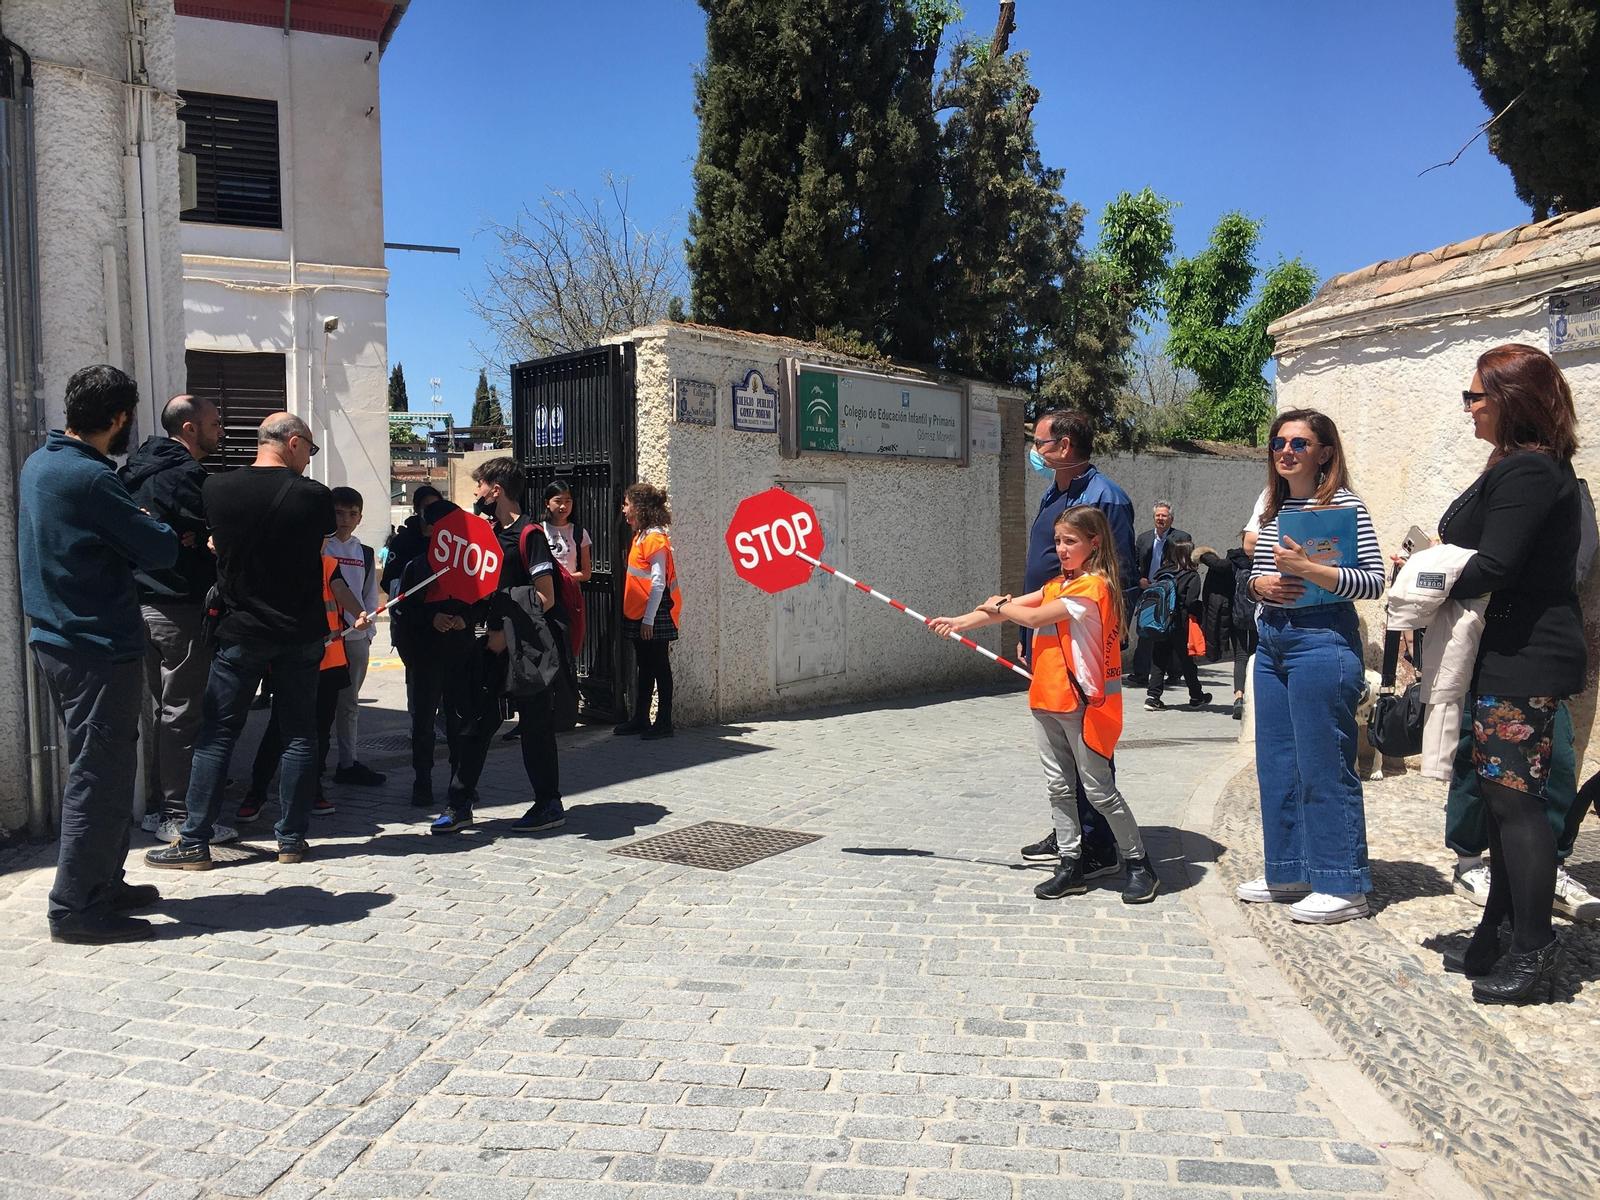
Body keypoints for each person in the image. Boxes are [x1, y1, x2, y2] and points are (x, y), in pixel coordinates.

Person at [1436, 344, 1586, 1004]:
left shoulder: (1528, 473)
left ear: (1510, 401)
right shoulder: (1520, 466)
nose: (1467, 409)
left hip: (1525, 654)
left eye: (1475, 397)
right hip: (1510, 652)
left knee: (1517, 806)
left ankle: (1536, 951)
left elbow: (1494, 564)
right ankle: (1502, 927)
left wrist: (1424, 577)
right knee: (1502, 802)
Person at [146, 413, 361, 871]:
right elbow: (317, 545)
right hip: (301, 632)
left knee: (218, 731)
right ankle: (291, 840)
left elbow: (215, 544)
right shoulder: (315, 497)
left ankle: (195, 841)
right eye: (310, 451)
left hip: (240, 629)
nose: (310, 460)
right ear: (296, 443)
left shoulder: (216, 489)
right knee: (300, 733)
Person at [18, 365, 179, 943]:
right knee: (100, 776)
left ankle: (105, 881)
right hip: (93, 645)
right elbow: (158, 550)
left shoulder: (42, 462)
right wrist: (148, 519)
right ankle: (74, 907)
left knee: (109, 767)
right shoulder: (90, 479)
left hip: (63, 639)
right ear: (118, 419)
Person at [933, 505, 1158, 905]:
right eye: (1057, 541)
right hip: (1045, 699)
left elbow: (1029, 617)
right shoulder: (1058, 585)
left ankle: (1140, 864)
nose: (1062, 548)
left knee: (1099, 791)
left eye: (1070, 541)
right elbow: (1013, 607)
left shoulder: (1092, 587)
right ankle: (1070, 865)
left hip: (1082, 704)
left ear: (1094, 543)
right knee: (1058, 788)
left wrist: (1001, 606)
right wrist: (957, 622)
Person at [1236, 409, 1385, 925]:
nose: (1286, 451)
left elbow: (1372, 581)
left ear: (1324, 452)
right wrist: (1261, 586)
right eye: (1278, 441)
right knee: (1276, 760)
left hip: (1322, 637)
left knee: (1325, 761)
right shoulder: (1273, 510)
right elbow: (1252, 576)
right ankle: (1288, 870)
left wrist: (1308, 570)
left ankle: (1343, 883)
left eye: (1299, 443)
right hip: (1273, 637)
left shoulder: (1345, 507)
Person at [1019, 410, 1137, 879]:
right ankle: (1069, 831)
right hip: (1047, 634)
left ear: (1064, 447)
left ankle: (1099, 842)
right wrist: (1029, 634)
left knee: (1088, 740)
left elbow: (1120, 576)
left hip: (1082, 643)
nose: (1035, 450)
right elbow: (1044, 572)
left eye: (1040, 442)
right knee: (1060, 749)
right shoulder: (1056, 491)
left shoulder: (1107, 498)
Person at [434, 457, 566, 834]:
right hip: (487, 648)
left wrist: (504, 631)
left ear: (496, 489)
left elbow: (546, 596)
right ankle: (459, 804)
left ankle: (548, 803)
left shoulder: (530, 536)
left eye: (479, 485)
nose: (475, 493)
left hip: (523, 650)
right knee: (474, 724)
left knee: (535, 727)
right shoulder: (484, 534)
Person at [118, 394, 228, 843]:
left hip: (136, 604)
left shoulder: (134, 472)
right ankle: (178, 817)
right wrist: (205, 538)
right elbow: (208, 538)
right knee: (184, 711)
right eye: (215, 423)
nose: (221, 430)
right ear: (189, 429)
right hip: (178, 606)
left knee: (163, 710)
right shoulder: (189, 478)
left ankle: (161, 808)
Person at [238, 546, 370, 823]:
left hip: (329, 662)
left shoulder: (328, 563)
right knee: (278, 730)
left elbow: (340, 589)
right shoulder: (276, 561)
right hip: (290, 663)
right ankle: (257, 791)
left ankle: (313, 789)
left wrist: (359, 613)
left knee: (320, 732)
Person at [327, 486, 386, 787]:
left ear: (360, 517)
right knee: (322, 704)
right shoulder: (322, 547)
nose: (345, 519)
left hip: (355, 639)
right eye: (339, 512)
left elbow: (368, 595)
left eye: (352, 514)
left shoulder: (364, 552)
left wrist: (369, 632)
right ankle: (313, 763)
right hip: (326, 639)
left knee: (349, 704)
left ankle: (347, 763)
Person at [614, 482, 681, 741]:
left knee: (659, 666)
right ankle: (641, 718)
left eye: (627, 504)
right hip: (640, 612)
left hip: (653, 613)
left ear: (639, 509)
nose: (624, 510)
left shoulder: (655, 538)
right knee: (645, 666)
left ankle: (664, 721)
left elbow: (658, 582)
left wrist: (649, 620)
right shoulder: (641, 536)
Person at [1143, 537, 1211, 712]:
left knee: (1159, 660)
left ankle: (1152, 697)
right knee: (1186, 661)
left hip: (1160, 622)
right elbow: (1191, 602)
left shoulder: (1161, 572)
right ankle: (1196, 697)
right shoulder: (1191, 575)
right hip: (1180, 624)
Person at [1130, 502, 1191, 686]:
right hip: (1148, 592)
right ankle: (1141, 672)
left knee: (1169, 631)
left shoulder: (1181, 537)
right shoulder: (1143, 539)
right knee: (1146, 629)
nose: (1160, 519)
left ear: (1171, 518)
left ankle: (1174, 673)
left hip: (1169, 591)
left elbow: (1185, 564)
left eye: (1164, 516)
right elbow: (1133, 563)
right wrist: (1139, 579)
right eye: (1157, 515)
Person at [541, 479, 593, 582]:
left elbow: (586, 573)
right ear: (547, 503)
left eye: (567, 501)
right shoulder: (539, 531)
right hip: (546, 591)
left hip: (570, 592)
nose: (563, 506)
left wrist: (564, 578)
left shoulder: (580, 533)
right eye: (558, 501)